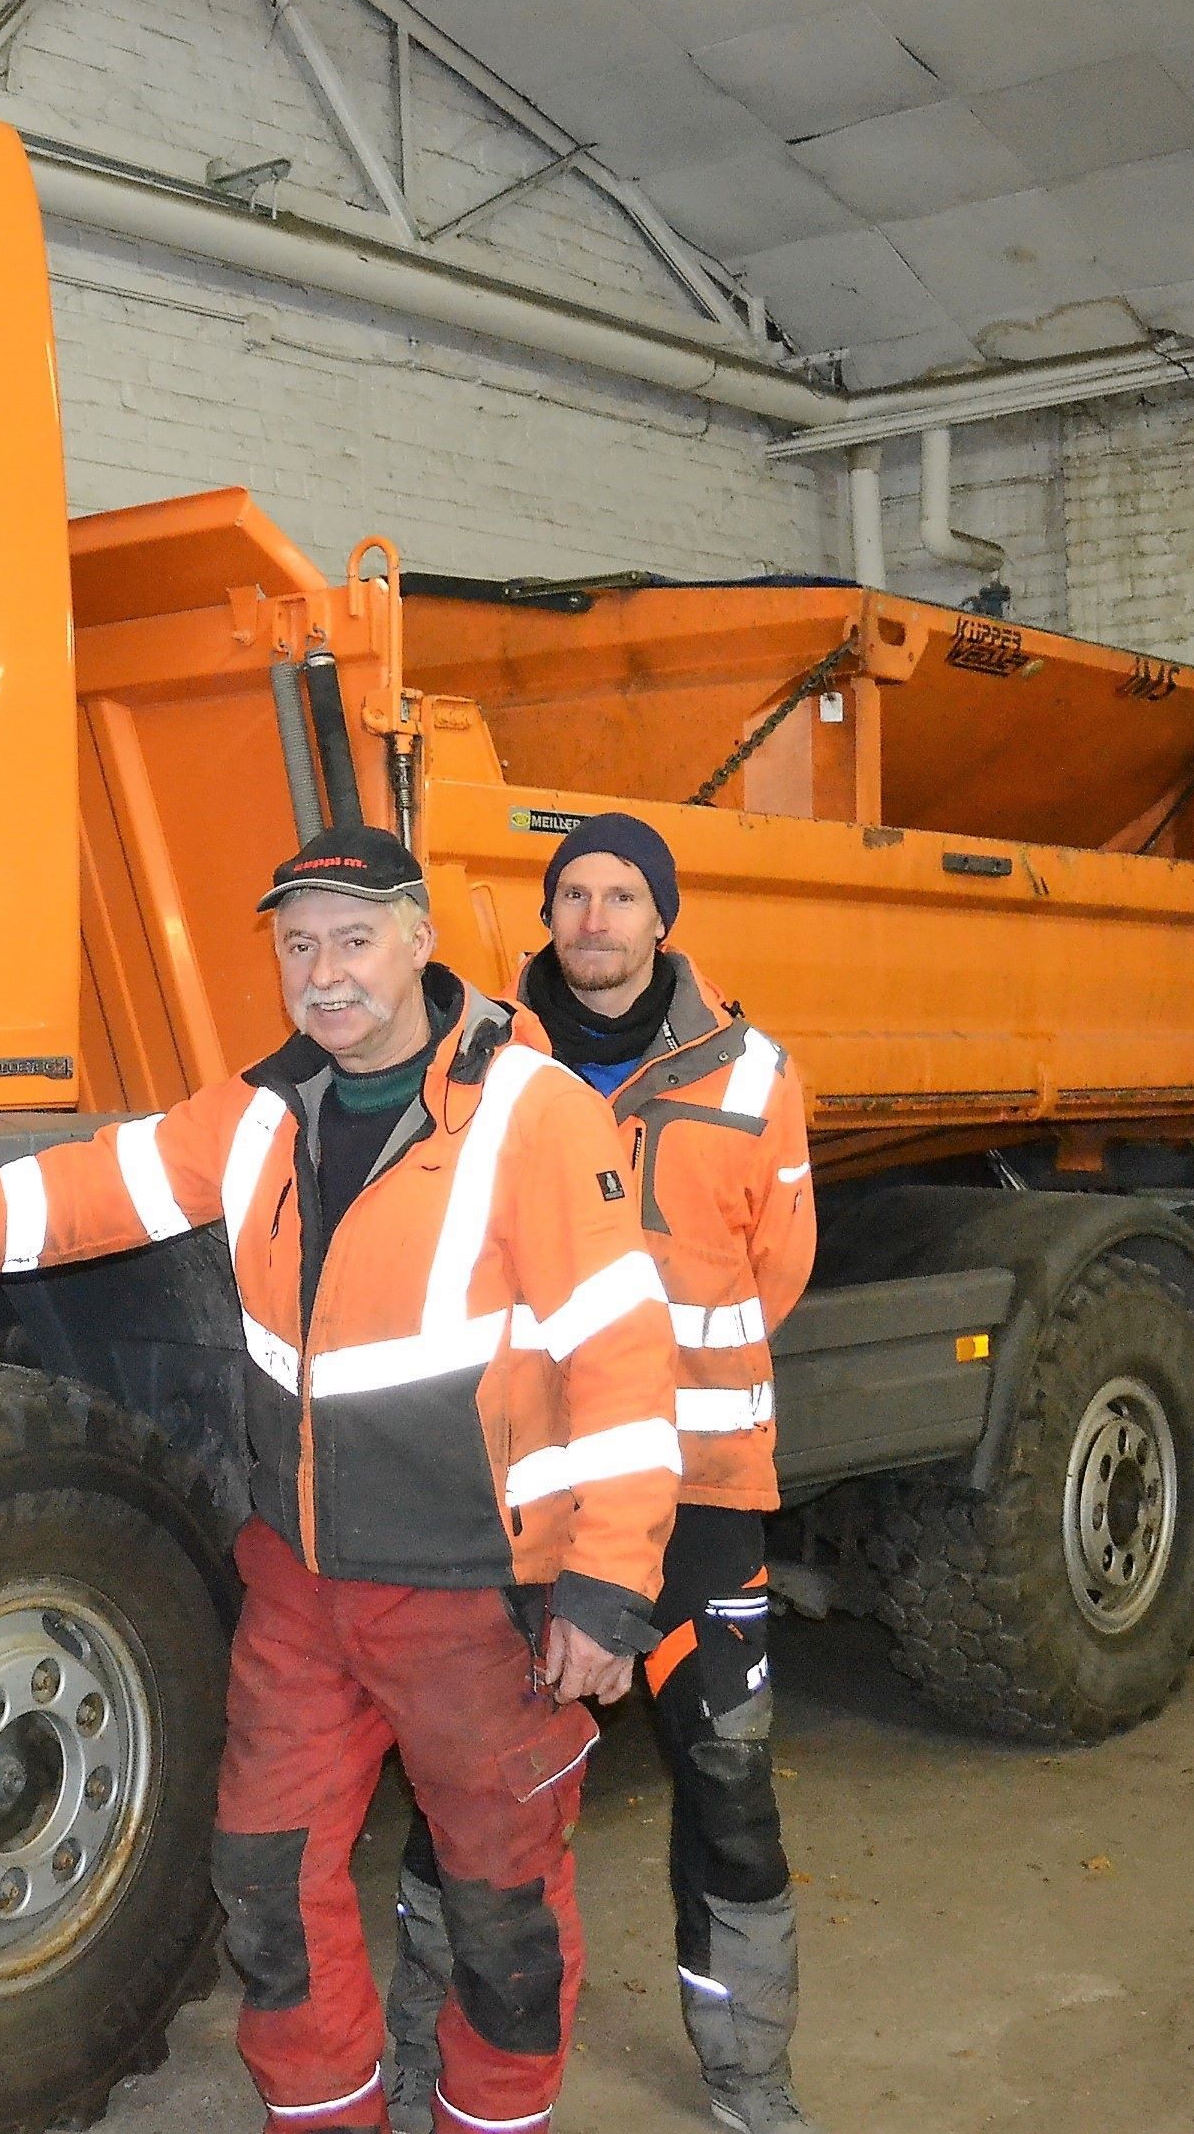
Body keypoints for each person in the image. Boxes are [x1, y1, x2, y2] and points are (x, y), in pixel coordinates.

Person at [0, 824, 683, 2134]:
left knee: (502, 1911)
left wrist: (608, 1591)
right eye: (299, 946)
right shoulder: (264, 1109)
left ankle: (495, 2120)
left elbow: (621, 1354)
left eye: (356, 939)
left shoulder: (533, 1114)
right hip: (301, 1592)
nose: (326, 974)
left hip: (477, 1606)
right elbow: (100, 1190)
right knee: (266, 1885)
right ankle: (324, 2114)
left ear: (423, 940)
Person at [382, 810, 820, 2134]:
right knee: (467, 1798)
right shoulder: (476, 1067)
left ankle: (750, 2081)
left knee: (729, 1793)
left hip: (699, 1498)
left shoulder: (754, 1072)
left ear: (662, 919)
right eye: (573, 893)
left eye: (620, 895)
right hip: (518, 1502)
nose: (593, 918)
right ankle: (421, 2060)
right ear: (550, 914)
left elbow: (780, 1264)